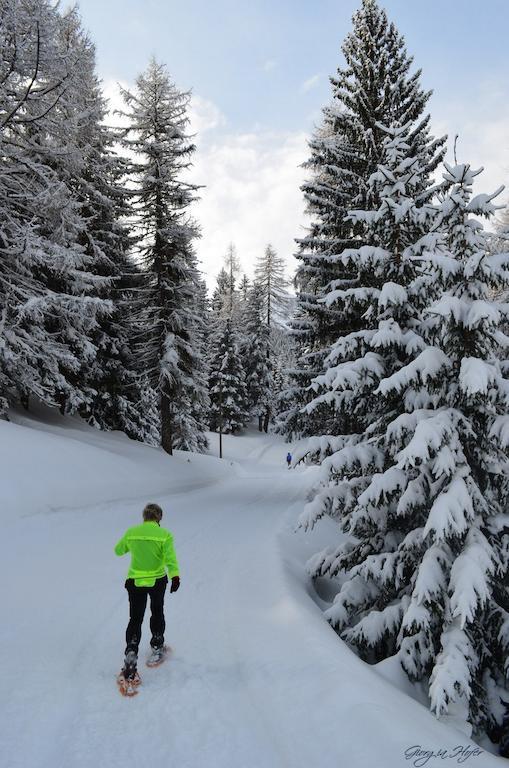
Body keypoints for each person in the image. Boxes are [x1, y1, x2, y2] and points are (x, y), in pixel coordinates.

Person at [114, 502, 180, 683]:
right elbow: (170, 558)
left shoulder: (132, 532)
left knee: (135, 618)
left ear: (144, 517)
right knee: (157, 611)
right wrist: (175, 576)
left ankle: (131, 652)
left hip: (135, 581)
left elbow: (118, 551)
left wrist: (133, 545)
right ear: (159, 517)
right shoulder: (164, 534)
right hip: (157, 581)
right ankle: (157, 646)